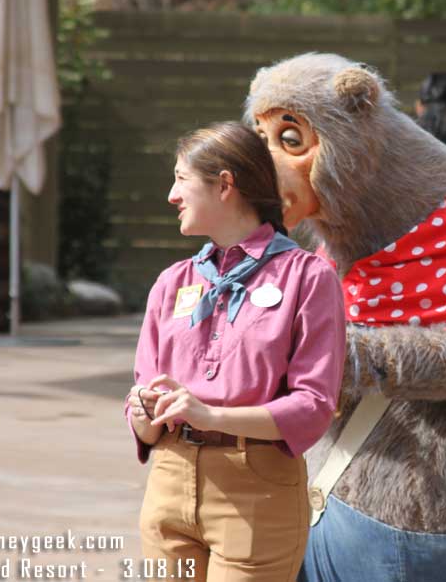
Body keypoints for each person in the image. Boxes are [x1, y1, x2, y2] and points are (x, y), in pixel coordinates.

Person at [124, 121, 346, 582]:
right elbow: (142, 395)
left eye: (181, 179)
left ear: (225, 184)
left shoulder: (307, 278)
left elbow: (313, 406)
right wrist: (144, 413)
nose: (171, 194)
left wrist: (211, 415)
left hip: (256, 495)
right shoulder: (173, 282)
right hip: (167, 480)